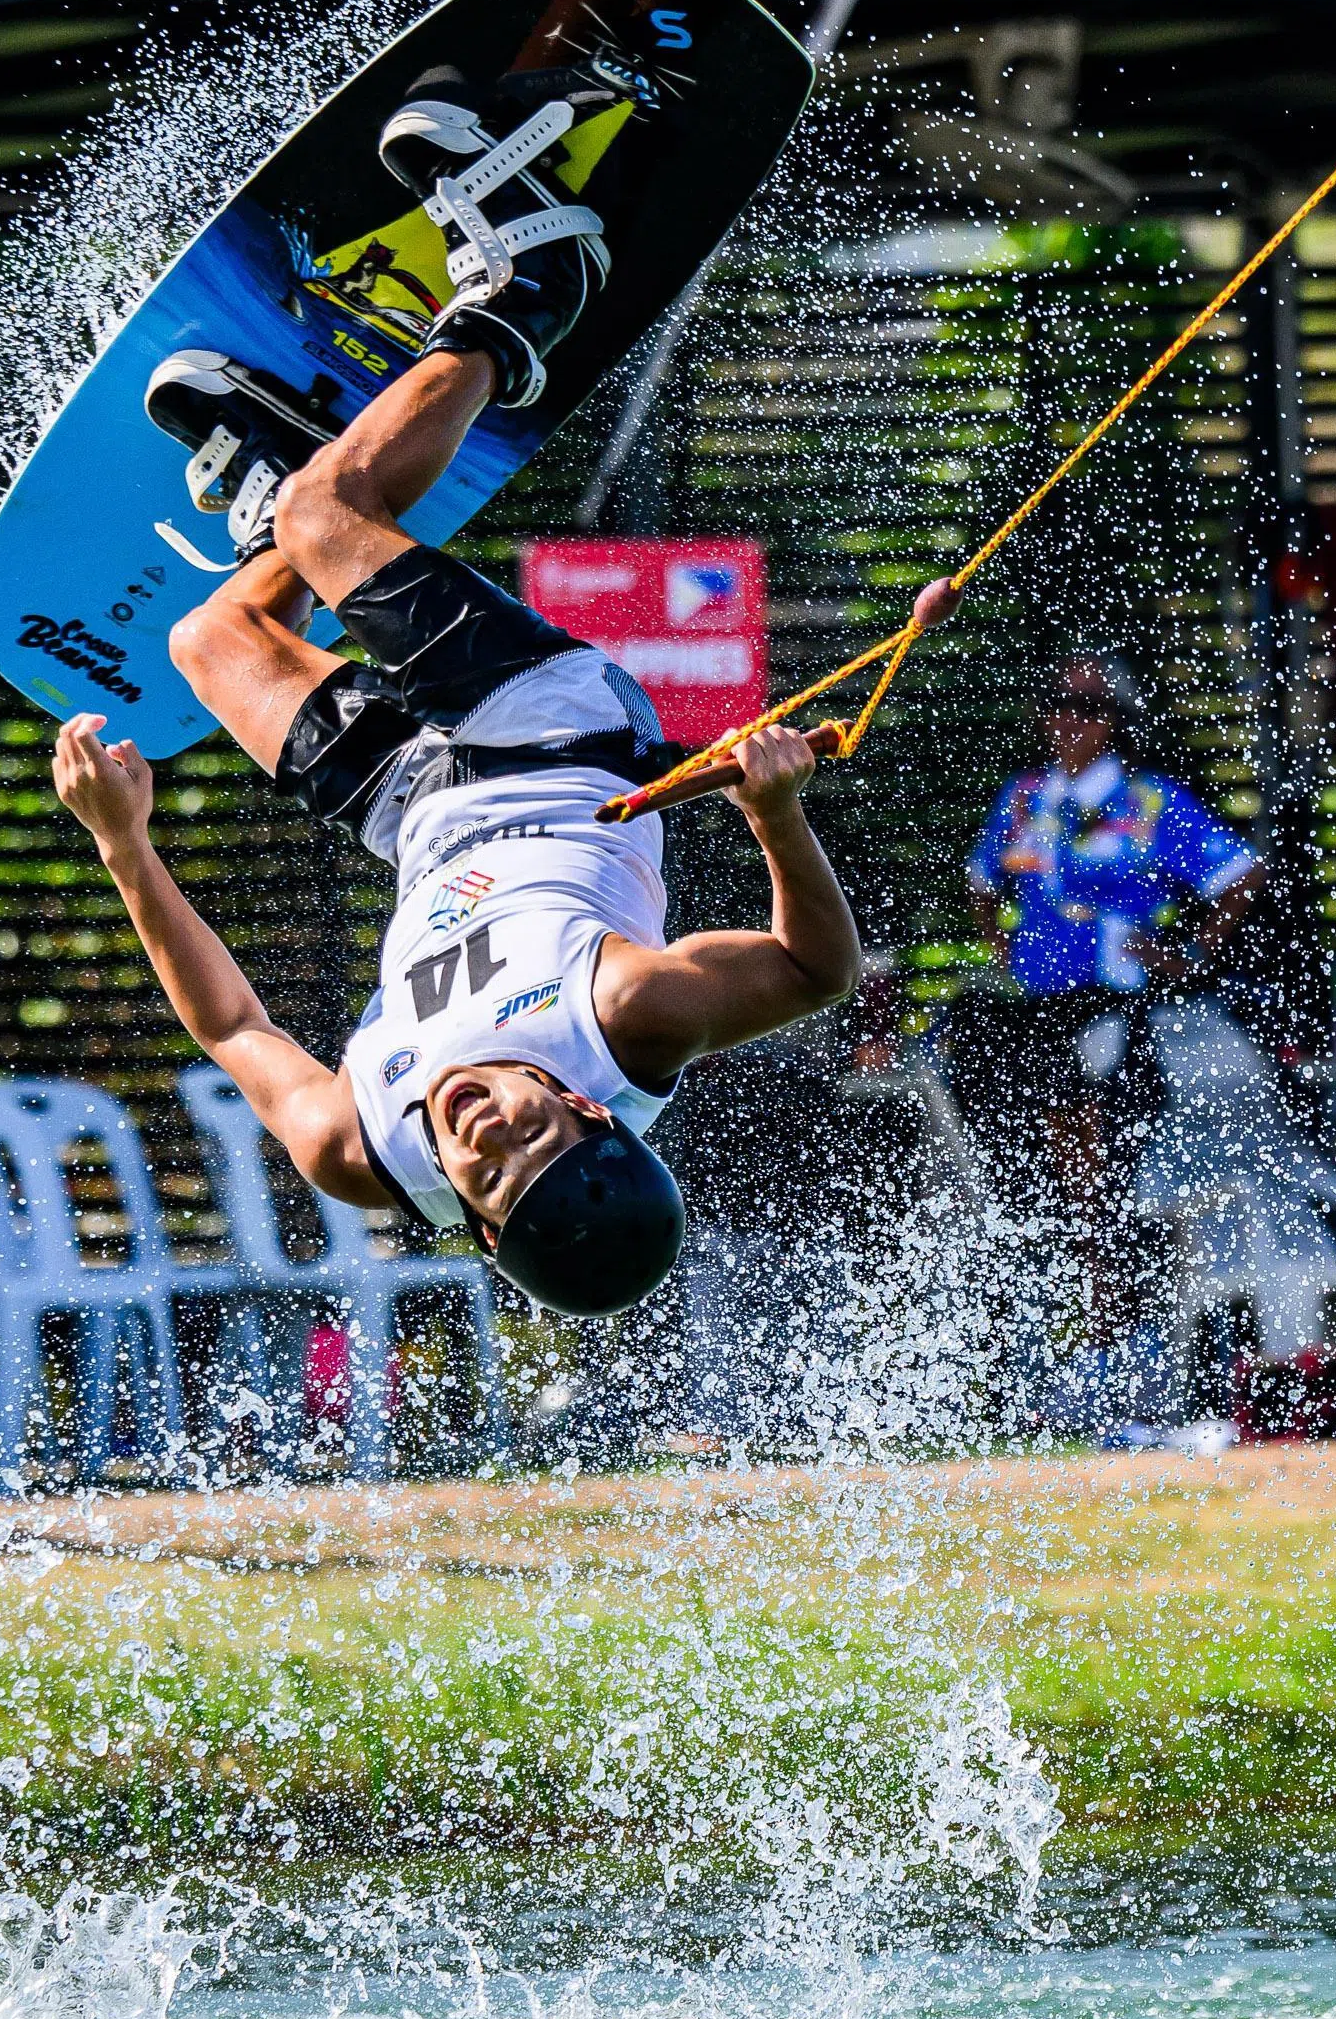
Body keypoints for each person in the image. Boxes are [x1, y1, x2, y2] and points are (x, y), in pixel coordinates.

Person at [63, 92, 857, 1319]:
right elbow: (814, 971)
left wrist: (124, 845)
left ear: (474, 1225)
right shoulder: (628, 1025)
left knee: (213, 637)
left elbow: (232, 1031)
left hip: (416, 817)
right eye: (533, 1128)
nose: (489, 1123)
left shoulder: (361, 1146)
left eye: (491, 1166)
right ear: (584, 1104)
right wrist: (774, 813)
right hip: (550, 734)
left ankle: (299, 469)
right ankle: (528, 291)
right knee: (331, 531)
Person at [955, 654, 1263, 1414]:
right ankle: (1068, 1339)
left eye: (1087, 707)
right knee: (1044, 1171)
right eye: (1056, 703)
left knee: (1100, 1169)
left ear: (1117, 719)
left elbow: (1239, 875)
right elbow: (981, 880)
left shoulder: (1150, 800)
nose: (1068, 719)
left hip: (1118, 1007)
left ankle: (1117, 1335)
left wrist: (1187, 953)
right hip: (1036, 1010)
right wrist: (1005, 948)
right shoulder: (1025, 798)